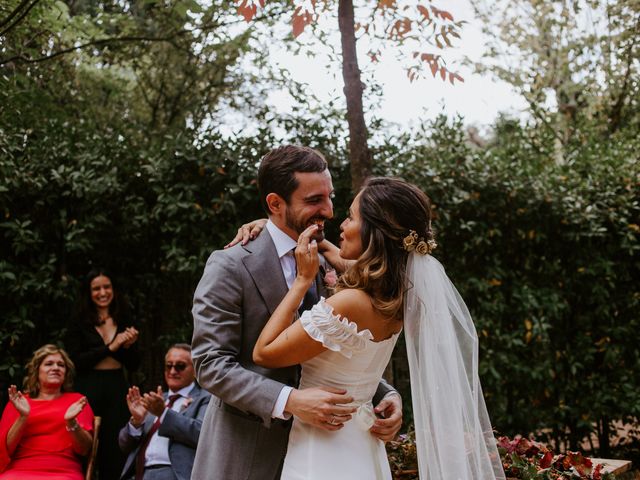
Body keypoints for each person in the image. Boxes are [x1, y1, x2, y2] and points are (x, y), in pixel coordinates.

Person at [248, 176, 506, 479]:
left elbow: (264, 353)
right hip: (361, 440)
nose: (341, 224)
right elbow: (340, 257)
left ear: (374, 232)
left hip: (323, 449)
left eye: (351, 217)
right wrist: (272, 229)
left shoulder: (351, 304)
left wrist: (303, 281)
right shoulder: (399, 297)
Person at [191, 145, 402, 480]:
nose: (330, 211)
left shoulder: (330, 260)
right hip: (248, 455)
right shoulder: (230, 265)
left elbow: (336, 348)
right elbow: (210, 365)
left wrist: (386, 394)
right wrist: (290, 400)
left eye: (330, 197)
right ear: (275, 204)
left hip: (320, 456)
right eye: (314, 200)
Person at [65, 268, 140, 480]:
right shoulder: (79, 321)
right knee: (84, 444)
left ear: (114, 289)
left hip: (116, 386)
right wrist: (111, 347)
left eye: (106, 287)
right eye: (96, 288)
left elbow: (134, 364)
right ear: (88, 293)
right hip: (87, 387)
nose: (102, 292)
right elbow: (76, 362)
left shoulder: (124, 318)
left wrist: (127, 347)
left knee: (115, 448)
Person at [0, 344, 94, 480]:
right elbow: (5, 450)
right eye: (49, 364)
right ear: (37, 371)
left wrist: (71, 422)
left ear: (66, 373)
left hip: (63, 471)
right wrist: (23, 417)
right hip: (19, 470)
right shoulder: (18, 401)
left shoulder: (78, 401)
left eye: (61, 365)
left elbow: (84, 449)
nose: (55, 368)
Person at [118, 343, 210, 480]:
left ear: (195, 370)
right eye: (169, 366)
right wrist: (136, 422)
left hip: (175, 473)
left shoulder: (205, 398)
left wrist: (164, 413)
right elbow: (124, 445)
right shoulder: (155, 400)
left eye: (180, 366)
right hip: (140, 473)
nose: (173, 371)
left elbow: (202, 435)